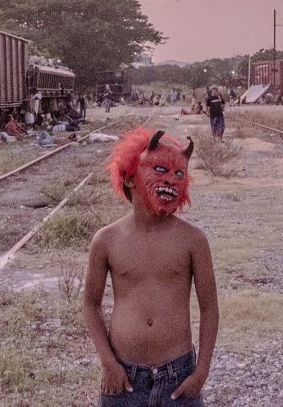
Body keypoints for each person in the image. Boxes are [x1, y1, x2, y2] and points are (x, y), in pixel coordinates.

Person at [84, 128, 218, 406]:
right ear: (130, 177)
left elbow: (209, 308)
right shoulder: (106, 240)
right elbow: (90, 305)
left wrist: (201, 371)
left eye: (179, 174)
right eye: (159, 169)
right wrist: (109, 364)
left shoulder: (193, 240)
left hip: (178, 377)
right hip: (124, 379)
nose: (171, 180)